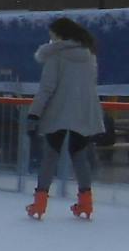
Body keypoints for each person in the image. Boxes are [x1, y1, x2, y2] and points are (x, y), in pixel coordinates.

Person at [26, 16, 106, 221]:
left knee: (50, 155)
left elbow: (47, 88)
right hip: (83, 111)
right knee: (79, 155)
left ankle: (40, 202)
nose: (50, 37)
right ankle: (86, 202)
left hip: (58, 111)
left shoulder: (56, 55)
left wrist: (34, 113)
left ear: (59, 34)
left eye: (52, 33)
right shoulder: (89, 55)